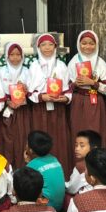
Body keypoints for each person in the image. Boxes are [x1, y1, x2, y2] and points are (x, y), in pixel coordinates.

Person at [28, 33, 72, 175]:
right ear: (38, 47)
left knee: (58, 138)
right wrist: (42, 96)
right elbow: (29, 91)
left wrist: (65, 98)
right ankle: (38, 173)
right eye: (43, 45)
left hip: (57, 110)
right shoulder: (34, 66)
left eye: (50, 44)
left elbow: (68, 89)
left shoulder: (61, 66)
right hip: (40, 109)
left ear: (55, 47)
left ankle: (60, 172)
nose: (47, 48)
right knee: (40, 138)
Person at [67, 31, 106, 140]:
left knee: (96, 130)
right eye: (84, 43)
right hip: (78, 101)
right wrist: (75, 84)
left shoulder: (101, 63)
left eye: (91, 43)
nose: (87, 46)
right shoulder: (73, 62)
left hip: (96, 101)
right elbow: (66, 87)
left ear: (96, 45)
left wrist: (93, 83)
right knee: (78, 130)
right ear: (79, 44)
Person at [0, 42, 32, 169]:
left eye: (18, 54)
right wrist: (7, 101)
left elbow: (32, 90)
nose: (15, 58)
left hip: (22, 110)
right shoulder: (1, 71)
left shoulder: (27, 71)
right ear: (7, 56)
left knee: (22, 138)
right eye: (12, 54)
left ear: (22, 56)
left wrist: (26, 90)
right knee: (7, 139)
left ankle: (22, 168)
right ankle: (7, 170)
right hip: (7, 109)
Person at [24, 130, 65, 212]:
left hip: (46, 208)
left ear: (31, 150)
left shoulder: (31, 166)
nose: (25, 146)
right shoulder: (54, 159)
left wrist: (28, 164)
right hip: (60, 205)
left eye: (27, 144)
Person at [67, 130, 101, 195]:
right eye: (76, 145)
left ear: (94, 148)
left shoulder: (80, 166)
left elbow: (71, 189)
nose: (77, 149)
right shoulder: (105, 161)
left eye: (82, 146)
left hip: (88, 197)